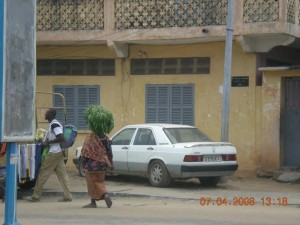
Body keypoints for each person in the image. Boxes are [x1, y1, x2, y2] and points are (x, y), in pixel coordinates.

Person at [23, 108, 72, 202]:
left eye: (47, 112)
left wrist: (48, 142)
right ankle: (68, 196)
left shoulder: (54, 124)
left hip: (54, 153)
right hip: (59, 153)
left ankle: (36, 196)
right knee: (63, 175)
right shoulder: (52, 124)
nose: (45, 113)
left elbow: (61, 138)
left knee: (43, 173)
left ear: (51, 115)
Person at [81, 104, 114, 208]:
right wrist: (111, 164)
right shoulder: (106, 138)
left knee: (91, 184)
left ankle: (96, 201)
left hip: (91, 166)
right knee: (100, 182)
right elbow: (109, 152)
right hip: (103, 165)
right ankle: (104, 195)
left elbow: (85, 153)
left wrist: (83, 163)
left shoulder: (90, 138)